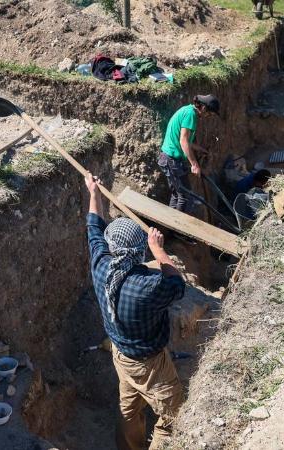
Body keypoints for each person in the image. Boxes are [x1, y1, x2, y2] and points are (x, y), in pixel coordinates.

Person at [84, 173, 186, 450]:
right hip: (152, 365)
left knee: (128, 410)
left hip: (122, 356)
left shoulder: (101, 268)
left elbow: (94, 227)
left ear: (112, 247)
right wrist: (159, 251)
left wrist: (94, 193)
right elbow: (177, 284)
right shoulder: (148, 287)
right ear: (140, 252)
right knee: (175, 416)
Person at [158, 95, 220, 213]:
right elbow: (183, 141)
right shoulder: (191, 115)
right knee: (185, 196)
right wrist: (194, 164)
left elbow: (186, 141)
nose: (208, 117)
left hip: (167, 158)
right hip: (171, 160)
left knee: (177, 195)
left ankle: (170, 226)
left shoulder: (187, 110)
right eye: (210, 114)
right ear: (204, 108)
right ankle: (176, 228)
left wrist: (200, 149)